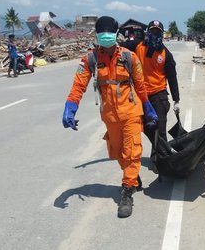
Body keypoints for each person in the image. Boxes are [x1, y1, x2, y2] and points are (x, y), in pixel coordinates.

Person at [62, 16, 158, 218]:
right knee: (118, 152)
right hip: (110, 116)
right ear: (96, 36)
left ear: (116, 34)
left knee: (132, 151)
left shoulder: (129, 57)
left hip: (131, 111)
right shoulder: (90, 59)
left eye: (109, 33)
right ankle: (132, 176)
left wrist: (148, 107)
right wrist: (70, 107)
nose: (105, 37)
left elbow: (140, 86)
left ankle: (127, 191)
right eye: (101, 34)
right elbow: (79, 85)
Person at [135, 20, 180, 155]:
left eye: (157, 32)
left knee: (160, 130)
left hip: (158, 96)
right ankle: (156, 154)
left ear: (161, 33)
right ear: (148, 32)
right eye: (152, 31)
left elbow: (172, 78)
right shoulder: (138, 47)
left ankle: (161, 158)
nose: (154, 34)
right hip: (140, 96)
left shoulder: (166, 54)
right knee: (146, 129)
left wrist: (176, 99)